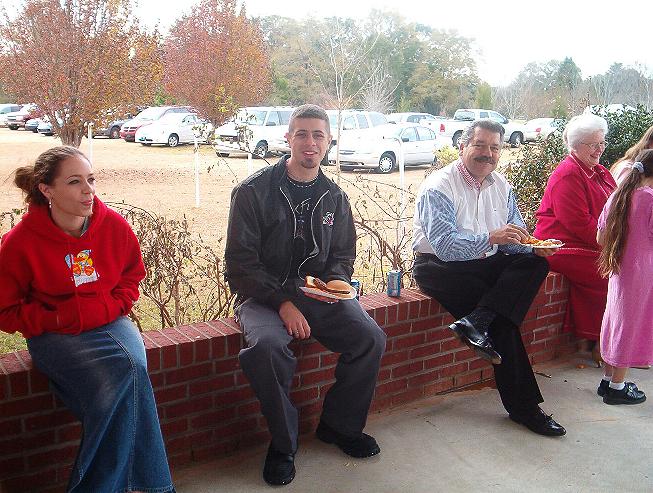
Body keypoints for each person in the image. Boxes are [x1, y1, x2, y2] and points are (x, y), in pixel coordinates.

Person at [224, 104, 386, 486]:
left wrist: (336, 282)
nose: (310, 142)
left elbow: (343, 254)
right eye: (302, 134)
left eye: (318, 135)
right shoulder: (252, 192)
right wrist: (283, 302)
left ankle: (339, 426)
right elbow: (240, 265)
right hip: (262, 296)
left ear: (329, 142)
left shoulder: (334, 197)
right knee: (267, 349)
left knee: (370, 338)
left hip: (316, 295)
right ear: (288, 138)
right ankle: (284, 445)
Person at [0, 147, 175, 493]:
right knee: (124, 379)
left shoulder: (112, 225)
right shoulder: (19, 243)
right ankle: (154, 487)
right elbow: (5, 310)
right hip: (54, 333)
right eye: (74, 182)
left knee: (129, 370)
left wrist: (114, 305)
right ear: (47, 190)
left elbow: (132, 275)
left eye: (91, 180)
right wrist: (58, 316)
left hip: (110, 321)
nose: (88, 190)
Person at [413, 119, 566, 437]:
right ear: (462, 147)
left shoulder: (502, 186)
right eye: (480, 145)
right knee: (503, 325)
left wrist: (534, 247)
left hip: (484, 261)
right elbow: (446, 247)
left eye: (495, 147)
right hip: (440, 268)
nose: (488, 153)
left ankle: (477, 320)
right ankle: (525, 409)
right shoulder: (438, 187)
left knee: (535, 264)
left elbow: (514, 238)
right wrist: (491, 238)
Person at [533, 114, 616, 355]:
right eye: (593, 145)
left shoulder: (600, 171)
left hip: (593, 240)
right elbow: (578, 223)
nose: (599, 149)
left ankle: (605, 340)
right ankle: (602, 342)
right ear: (575, 146)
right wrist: (612, 245)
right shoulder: (568, 174)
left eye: (602, 143)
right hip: (559, 245)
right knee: (608, 272)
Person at [595, 149, 653, 405]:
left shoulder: (618, 195)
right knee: (631, 325)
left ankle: (608, 379)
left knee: (615, 321)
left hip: (618, 269)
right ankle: (617, 387)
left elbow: (600, 237)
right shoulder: (649, 199)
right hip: (643, 272)